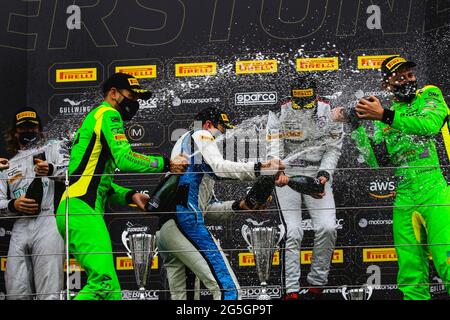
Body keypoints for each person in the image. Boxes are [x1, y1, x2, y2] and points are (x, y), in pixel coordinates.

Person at [55, 73, 188, 300]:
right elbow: (125, 158)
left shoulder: (96, 118)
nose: (134, 102)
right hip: (80, 210)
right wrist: (167, 163)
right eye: (131, 95)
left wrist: (130, 195)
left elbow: (96, 182)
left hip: (79, 209)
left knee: (112, 291)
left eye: (137, 97)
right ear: (113, 94)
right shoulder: (108, 114)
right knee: (103, 284)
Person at [332, 55, 450, 300]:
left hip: (437, 190)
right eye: (400, 76)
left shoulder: (429, 95)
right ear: (387, 85)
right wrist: (356, 127)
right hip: (404, 198)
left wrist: (383, 115)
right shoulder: (384, 116)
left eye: (410, 74)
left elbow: (429, 125)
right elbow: (378, 161)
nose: (408, 79)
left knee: (447, 262)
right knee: (410, 276)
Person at [156, 107, 285, 300]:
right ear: (208, 125)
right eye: (221, 130)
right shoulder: (200, 133)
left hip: (167, 229)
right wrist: (260, 168)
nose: (221, 137)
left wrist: (240, 205)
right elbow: (219, 168)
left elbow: (206, 209)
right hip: (185, 223)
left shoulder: (187, 147)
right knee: (228, 291)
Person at [266, 79, 344, 300]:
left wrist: (324, 174)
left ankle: (316, 286)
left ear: (315, 96)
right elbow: (273, 146)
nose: (301, 106)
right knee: (293, 231)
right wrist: (278, 170)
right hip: (287, 173)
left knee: (328, 227)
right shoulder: (278, 112)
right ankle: (291, 291)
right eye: (297, 102)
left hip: (316, 174)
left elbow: (333, 148)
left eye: (306, 102)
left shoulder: (331, 111)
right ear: (291, 97)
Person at [0, 107, 68, 300]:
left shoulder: (52, 149)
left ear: (40, 130)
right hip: (19, 225)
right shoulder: (7, 164)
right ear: (15, 133)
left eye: (33, 127)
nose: (29, 131)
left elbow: (72, 173)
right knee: (15, 290)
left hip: (48, 221)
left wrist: (51, 169)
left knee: (49, 291)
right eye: (23, 128)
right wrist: (13, 205)